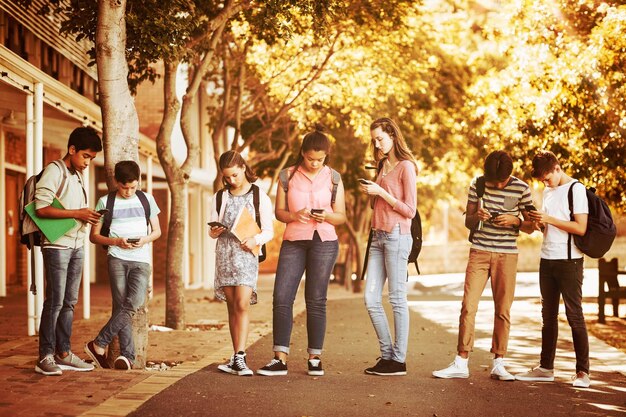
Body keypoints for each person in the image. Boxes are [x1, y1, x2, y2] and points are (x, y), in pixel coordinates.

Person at [432, 150, 533, 381]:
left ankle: (499, 362)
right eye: (493, 181)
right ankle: (461, 361)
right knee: (468, 306)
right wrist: (477, 215)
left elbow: (530, 226)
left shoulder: (521, 189)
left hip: (507, 255)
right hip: (479, 251)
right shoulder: (477, 184)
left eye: (502, 182)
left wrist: (515, 220)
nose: (497, 185)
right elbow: (468, 220)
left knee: (503, 310)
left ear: (510, 174)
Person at [257, 125, 346, 376]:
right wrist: (294, 215)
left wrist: (326, 215)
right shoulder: (287, 176)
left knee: (316, 299)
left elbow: (341, 217)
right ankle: (279, 358)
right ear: (302, 153)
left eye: (320, 159)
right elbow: (279, 213)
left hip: (325, 241)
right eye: (310, 158)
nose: (315, 163)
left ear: (326, 155)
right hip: (294, 240)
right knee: (282, 297)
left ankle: (315, 358)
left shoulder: (334, 178)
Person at [515, 150, 591, 388]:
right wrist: (539, 223)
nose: (545, 183)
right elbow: (550, 228)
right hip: (547, 259)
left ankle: (582, 373)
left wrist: (549, 219)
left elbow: (581, 227)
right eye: (542, 180)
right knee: (548, 317)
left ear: (557, 168)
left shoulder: (576, 189)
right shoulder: (548, 191)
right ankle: (546, 368)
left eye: (547, 178)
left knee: (574, 315)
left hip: (570, 262)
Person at [34, 126, 103, 376]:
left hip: (76, 244)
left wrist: (87, 217)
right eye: (85, 156)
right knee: (54, 302)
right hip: (57, 246)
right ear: (72, 150)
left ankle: (64, 353)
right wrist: (78, 213)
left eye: (92, 158)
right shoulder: (55, 171)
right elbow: (41, 208)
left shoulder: (77, 175)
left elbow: (71, 209)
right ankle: (45, 356)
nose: (88, 162)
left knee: (69, 302)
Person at [85, 160, 161, 370]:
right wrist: (116, 241)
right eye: (124, 187)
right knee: (121, 306)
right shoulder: (105, 202)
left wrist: (144, 240)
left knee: (134, 302)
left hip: (141, 260)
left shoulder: (147, 200)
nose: (128, 192)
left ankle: (99, 343)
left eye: (133, 187)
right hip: (116, 258)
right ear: (117, 182)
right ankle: (127, 356)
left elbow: (157, 231)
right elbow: (95, 236)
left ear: (139, 182)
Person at [361, 117, 417, 376]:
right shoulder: (382, 164)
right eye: (374, 140)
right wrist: (372, 192)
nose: (377, 144)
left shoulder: (407, 167)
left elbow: (410, 210)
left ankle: (399, 360)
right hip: (377, 237)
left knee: (396, 299)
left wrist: (381, 193)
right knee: (371, 298)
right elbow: (380, 204)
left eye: (381, 138)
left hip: (397, 236)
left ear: (393, 135)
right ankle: (387, 356)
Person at [209, 151, 274, 376]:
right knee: (231, 306)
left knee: (242, 304)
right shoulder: (219, 197)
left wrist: (255, 240)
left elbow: (269, 231)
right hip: (225, 255)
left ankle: (241, 357)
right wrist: (214, 231)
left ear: (244, 168)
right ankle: (235, 356)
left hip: (246, 255)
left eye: (235, 175)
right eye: (227, 177)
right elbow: (212, 231)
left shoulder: (260, 196)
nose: (231, 181)